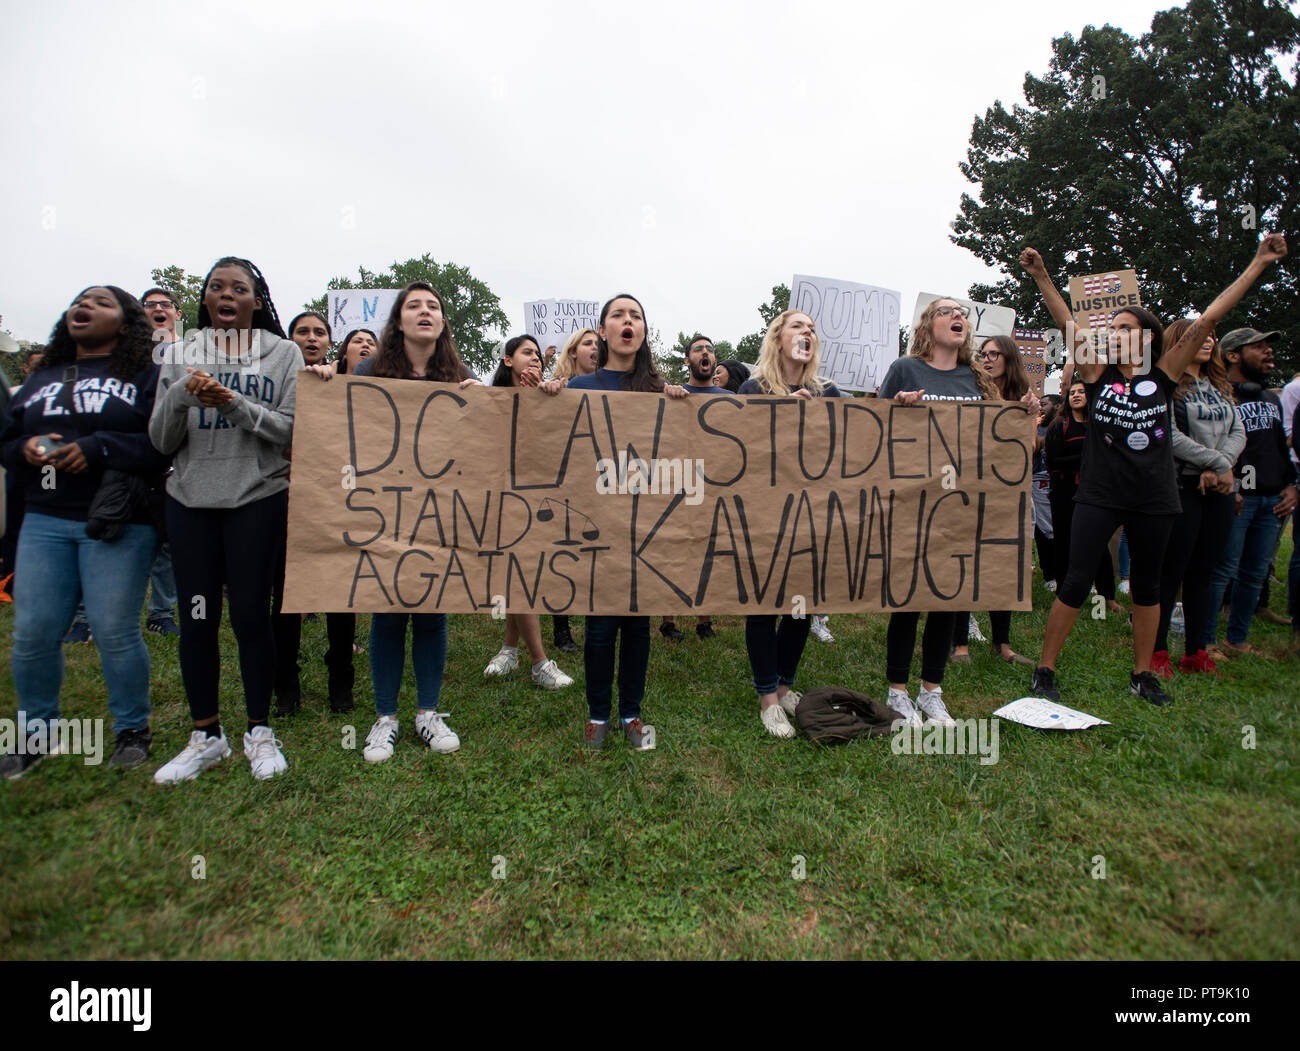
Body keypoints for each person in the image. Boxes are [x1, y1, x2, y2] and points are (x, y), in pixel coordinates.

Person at [1022, 233, 1287, 705]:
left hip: (1155, 497)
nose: (1114, 333)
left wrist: (1258, 263)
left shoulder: (1163, 374)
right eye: (1113, 328)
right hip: (1100, 494)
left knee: (1148, 584)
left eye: (1125, 327)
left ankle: (1143, 673)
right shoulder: (1095, 374)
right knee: (1077, 580)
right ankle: (1046, 669)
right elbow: (1068, 324)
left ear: (1146, 338)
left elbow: (1209, 318)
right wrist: (1042, 275)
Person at [308, 282, 482, 763]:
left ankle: (429, 712)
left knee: (431, 608)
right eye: (414, 306)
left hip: (438, 511)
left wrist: (481, 405)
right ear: (399, 321)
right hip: (384, 510)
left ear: (443, 323)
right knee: (388, 611)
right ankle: (385, 718)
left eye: (433, 307)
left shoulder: (459, 376)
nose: (424, 312)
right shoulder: (368, 371)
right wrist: (324, 384)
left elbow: (477, 448)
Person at [0, 285, 169, 777]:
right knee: (33, 632)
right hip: (44, 519)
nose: (86, 307)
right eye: (81, 300)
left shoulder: (143, 375)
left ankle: (132, 729)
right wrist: (27, 447)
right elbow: (6, 444)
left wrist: (98, 447)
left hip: (117, 521)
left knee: (115, 629)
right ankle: (36, 732)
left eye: (102, 302)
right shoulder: (43, 377)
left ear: (125, 323)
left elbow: (160, 447)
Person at [149, 257, 302, 782]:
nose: (227, 295)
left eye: (239, 288)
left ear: (257, 300)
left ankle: (259, 731)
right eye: (217, 287)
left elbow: (290, 431)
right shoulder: (180, 354)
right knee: (197, 620)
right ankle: (205, 734)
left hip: (256, 498)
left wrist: (233, 404)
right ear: (206, 300)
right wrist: (179, 392)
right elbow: (161, 440)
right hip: (190, 501)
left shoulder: (284, 354)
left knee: (251, 619)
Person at [877, 299, 1034, 728]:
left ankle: (932, 691)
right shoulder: (905, 369)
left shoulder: (976, 378)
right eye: (946, 310)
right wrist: (898, 408)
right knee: (908, 599)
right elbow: (870, 431)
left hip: (960, 505)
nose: (957, 315)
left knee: (947, 597)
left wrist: (1025, 420)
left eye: (962, 311)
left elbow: (995, 436)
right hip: (912, 503)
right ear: (929, 325)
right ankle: (897, 691)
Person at [551, 293, 688, 751]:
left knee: (636, 625)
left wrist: (680, 406)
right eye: (618, 315)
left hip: (644, 528)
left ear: (643, 332)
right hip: (595, 525)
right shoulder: (579, 388)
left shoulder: (659, 391)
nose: (627, 322)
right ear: (604, 330)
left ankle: (631, 713)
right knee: (600, 626)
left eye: (636, 316)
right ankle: (597, 715)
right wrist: (547, 399)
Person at [736, 309, 849, 738]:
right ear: (778, 338)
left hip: (813, 513)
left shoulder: (829, 391)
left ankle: (785, 686)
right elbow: (736, 448)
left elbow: (862, 437)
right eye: (798, 326)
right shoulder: (753, 388)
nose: (808, 333)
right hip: (763, 511)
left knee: (801, 602)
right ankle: (767, 696)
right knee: (764, 602)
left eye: (813, 329)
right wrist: (780, 413)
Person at [482, 335, 576, 690]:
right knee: (517, 571)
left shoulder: (548, 395)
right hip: (500, 496)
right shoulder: (488, 398)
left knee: (523, 573)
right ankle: (539, 661)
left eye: (538, 354)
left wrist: (543, 400)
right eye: (527, 353)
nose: (535, 358)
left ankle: (509, 648)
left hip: (539, 495)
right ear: (508, 361)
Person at [1150, 320, 1243, 675]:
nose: (1210, 341)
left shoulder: (1220, 386)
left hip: (1218, 488)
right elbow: (1168, 436)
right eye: (1200, 336)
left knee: (1204, 571)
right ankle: (1157, 651)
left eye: (1212, 336)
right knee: (1171, 571)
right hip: (1181, 488)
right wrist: (1217, 462)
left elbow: (1237, 430)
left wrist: (1223, 465)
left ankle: (1195, 651)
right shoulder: (1167, 386)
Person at [1204, 325, 1297, 658]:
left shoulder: (1271, 397)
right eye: (1258, 347)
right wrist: (1231, 486)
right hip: (1235, 496)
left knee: (1256, 572)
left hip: (1271, 499)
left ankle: (1237, 638)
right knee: (1222, 569)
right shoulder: (1218, 396)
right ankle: (1205, 640)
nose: (1267, 352)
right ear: (1233, 355)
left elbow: (1279, 448)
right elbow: (1212, 445)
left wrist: (1291, 484)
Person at [950, 334, 1040, 665]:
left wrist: (1027, 417)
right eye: (983, 354)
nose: (987, 359)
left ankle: (1002, 644)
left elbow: (1029, 450)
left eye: (995, 354)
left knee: (1002, 566)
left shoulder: (1024, 400)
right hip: (969, 491)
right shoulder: (967, 393)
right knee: (964, 562)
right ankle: (959, 644)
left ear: (1009, 359)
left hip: (1006, 495)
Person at [659, 333, 724, 643]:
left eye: (709, 350)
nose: (705, 352)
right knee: (674, 548)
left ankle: (704, 620)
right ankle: (668, 620)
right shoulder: (673, 394)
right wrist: (666, 394)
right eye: (698, 349)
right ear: (688, 360)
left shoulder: (731, 398)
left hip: (714, 485)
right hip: (677, 482)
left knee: (707, 549)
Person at [1044, 378, 1121, 616]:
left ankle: (1107, 597)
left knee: (1098, 545)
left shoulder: (1100, 425)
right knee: (1064, 542)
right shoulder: (1059, 426)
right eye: (1072, 392)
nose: (1076, 395)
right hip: (1064, 493)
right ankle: (1064, 597)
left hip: (1095, 493)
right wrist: (1088, 458)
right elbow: (1053, 461)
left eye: (1081, 391)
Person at [138, 287, 183, 637]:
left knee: (168, 541)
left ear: (177, 315)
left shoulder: (190, 354)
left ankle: (161, 613)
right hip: (133, 456)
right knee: (116, 531)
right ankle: (85, 616)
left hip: (174, 457)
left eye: (165, 305)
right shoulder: (128, 354)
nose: (157, 309)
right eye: (150, 305)